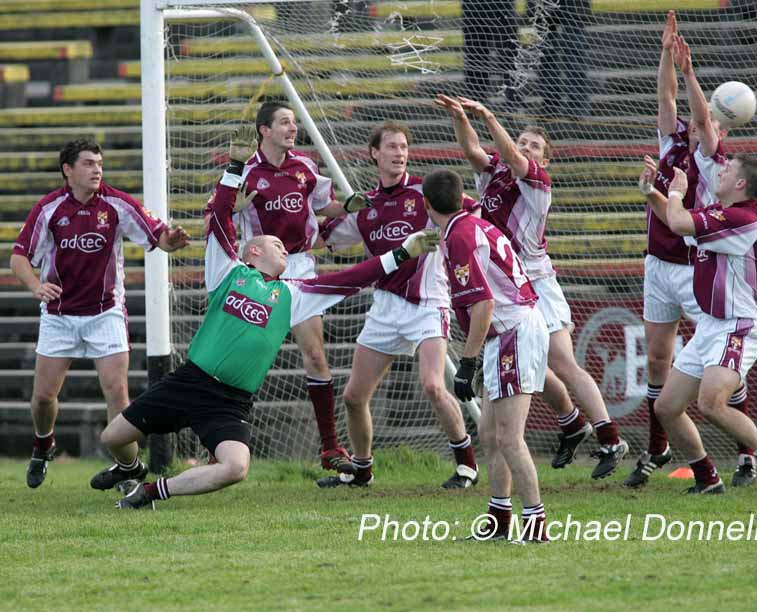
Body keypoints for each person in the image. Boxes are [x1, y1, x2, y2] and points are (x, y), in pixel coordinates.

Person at [91, 138, 440, 509]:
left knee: (236, 467)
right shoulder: (227, 270)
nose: (284, 247)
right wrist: (235, 165)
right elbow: (222, 217)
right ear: (252, 249)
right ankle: (131, 469)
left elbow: (355, 275)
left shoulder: (294, 294)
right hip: (188, 382)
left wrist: (403, 252)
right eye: (275, 243)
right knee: (112, 437)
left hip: (230, 402)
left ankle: (151, 492)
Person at [435, 93, 628, 479]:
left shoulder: (537, 180)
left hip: (536, 281)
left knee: (563, 362)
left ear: (545, 157)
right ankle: (571, 423)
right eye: (522, 142)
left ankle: (610, 438)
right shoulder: (498, 174)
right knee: (533, 367)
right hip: (507, 285)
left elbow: (507, 155)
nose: (525, 148)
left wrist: (489, 115)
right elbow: (474, 151)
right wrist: (460, 118)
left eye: (534, 146)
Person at [10, 138, 190, 490]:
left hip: (105, 313)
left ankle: (127, 467)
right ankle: (44, 442)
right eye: (89, 163)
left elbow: (158, 238)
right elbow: (18, 258)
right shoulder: (48, 209)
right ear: (68, 170)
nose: (97, 169)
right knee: (43, 398)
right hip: (59, 315)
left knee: (117, 394)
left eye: (100, 163)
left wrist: (172, 241)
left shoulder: (117, 204)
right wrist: (35, 286)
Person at [624, 16, 755, 488]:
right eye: (703, 121)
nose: (703, 125)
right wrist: (666, 55)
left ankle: (745, 453)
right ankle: (658, 447)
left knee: (722, 362)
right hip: (658, 263)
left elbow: (698, 114)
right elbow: (666, 99)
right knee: (658, 359)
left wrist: (693, 75)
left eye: (712, 122)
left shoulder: (713, 155)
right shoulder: (673, 142)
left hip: (697, 267)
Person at [316, 122, 478, 489]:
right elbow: (321, 235)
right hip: (385, 307)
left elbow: (473, 214)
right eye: (390, 146)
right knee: (354, 397)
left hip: (427, 302)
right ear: (374, 153)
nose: (399, 152)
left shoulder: (426, 192)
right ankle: (362, 469)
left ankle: (467, 465)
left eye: (403, 146)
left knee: (434, 386)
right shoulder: (365, 206)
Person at [640, 152, 757, 495]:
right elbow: (675, 222)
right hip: (711, 326)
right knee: (666, 407)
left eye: (728, 170)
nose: (721, 171)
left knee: (711, 402)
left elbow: (680, 220)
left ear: (741, 183)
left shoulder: (745, 218)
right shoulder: (719, 214)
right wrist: (652, 191)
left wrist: (677, 192)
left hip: (736, 325)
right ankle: (707, 476)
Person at [423, 168, 549, 544]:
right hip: (509, 332)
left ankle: (536, 526)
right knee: (490, 434)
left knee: (509, 437)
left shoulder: (461, 236)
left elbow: (484, 304)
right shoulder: (469, 222)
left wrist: (467, 361)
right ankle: (498, 521)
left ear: (427, 205)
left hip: (513, 331)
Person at [232, 100, 353, 473]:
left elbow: (325, 206)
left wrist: (353, 206)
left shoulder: (305, 167)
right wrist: (230, 208)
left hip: (299, 265)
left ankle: (330, 447)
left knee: (315, 355)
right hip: (261, 269)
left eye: (294, 122)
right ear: (264, 130)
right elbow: (214, 216)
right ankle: (218, 444)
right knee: (243, 360)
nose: (292, 128)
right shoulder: (244, 173)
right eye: (284, 122)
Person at [461, 0, 521, 105]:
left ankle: (512, 94)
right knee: (476, 55)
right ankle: (477, 98)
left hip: (503, 8)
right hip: (474, 10)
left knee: (509, 53)